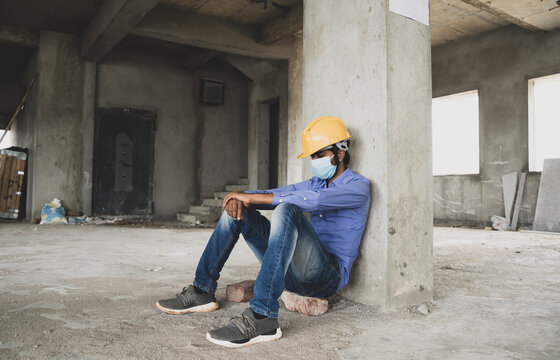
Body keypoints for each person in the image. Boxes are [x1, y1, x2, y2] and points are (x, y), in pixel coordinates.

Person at [156, 116, 371, 348]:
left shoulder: (358, 187)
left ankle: (262, 316)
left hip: (325, 277)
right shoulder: (315, 182)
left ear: (340, 154)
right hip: (291, 272)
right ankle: (201, 290)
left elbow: (313, 201)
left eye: (320, 155)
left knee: (287, 209)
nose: (315, 161)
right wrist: (241, 197)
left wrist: (249, 197)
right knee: (239, 211)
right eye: (313, 156)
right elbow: (276, 192)